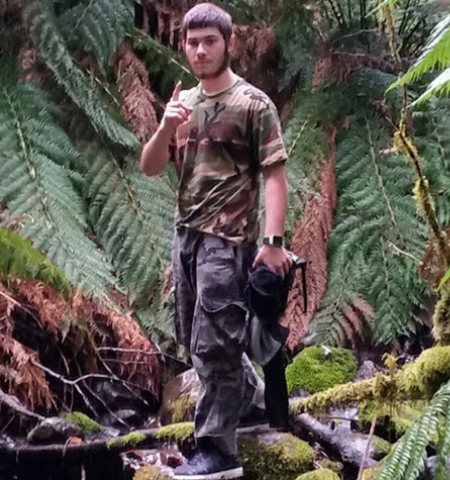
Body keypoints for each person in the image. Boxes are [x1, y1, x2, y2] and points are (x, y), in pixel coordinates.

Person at [140, 4, 292, 479]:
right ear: (183, 46)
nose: (200, 50)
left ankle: (218, 452)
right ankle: (247, 401)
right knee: (195, 337)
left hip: (227, 243)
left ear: (229, 43)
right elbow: (149, 167)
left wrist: (272, 241)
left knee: (214, 345)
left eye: (210, 41)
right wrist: (166, 126)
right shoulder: (184, 103)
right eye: (193, 42)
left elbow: (275, 176)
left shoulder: (252, 104)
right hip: (185, 238)